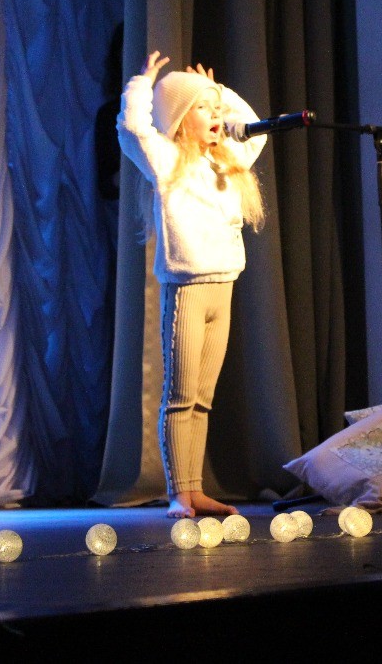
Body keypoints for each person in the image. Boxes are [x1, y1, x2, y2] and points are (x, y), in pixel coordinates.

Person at [117, 51, 268, 518]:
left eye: (216, 109)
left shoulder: (227, 160)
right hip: (187, 289)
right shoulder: (166, 160)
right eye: (203, 108)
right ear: (181, 118)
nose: (216, 116)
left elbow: (256, 128)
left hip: (223, 287)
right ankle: (179, 493)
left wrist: (221, 94)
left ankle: (195, 488)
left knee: (203, 399)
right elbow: (132, 129)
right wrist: (143, 86)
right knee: (180, 396)